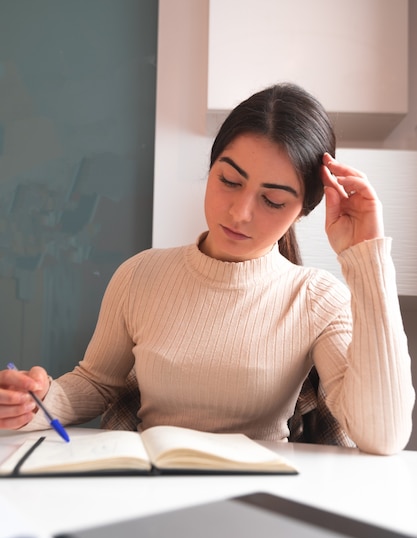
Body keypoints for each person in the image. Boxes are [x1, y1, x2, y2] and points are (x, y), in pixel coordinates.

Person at [0, 83, 414, 455]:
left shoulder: (316, 299)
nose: (240, 212)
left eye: (272, 201)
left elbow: (383, 435)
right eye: (229, 181)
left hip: (261, 501)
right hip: (143, 489)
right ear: (211, 167)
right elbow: (95, 385)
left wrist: (367, 258)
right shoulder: (139, 275)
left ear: (303, 211)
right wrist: (36, 401)